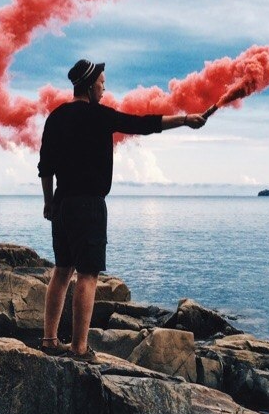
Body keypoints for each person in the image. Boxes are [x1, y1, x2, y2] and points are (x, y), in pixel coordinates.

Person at [37, 58, 206, 361]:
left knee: (62, 270)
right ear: (90, 86)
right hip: (89, 205)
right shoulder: (100, 116)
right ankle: (78, 348)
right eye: (102, 83)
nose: (104, 88)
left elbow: (45, 167)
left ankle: (49, 341)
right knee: (87, 275)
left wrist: (49, 202)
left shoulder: (56, 117)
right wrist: (184, 120)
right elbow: (143, 124)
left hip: (62, 205)